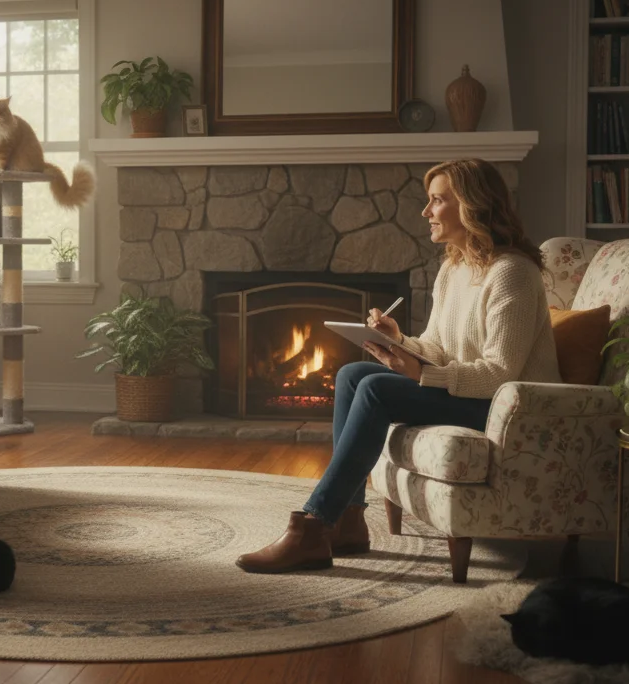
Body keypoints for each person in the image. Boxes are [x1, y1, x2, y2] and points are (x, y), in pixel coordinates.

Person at [236, 158, 560, 573]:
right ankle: (349, 522)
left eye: (437, 201)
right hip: (472, 394)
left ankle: (313, 526)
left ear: (472, 206)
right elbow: (441, 347)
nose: (426, 212)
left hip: (507, 410)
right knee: (353, 374)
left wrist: (420, 373)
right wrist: (400, 341)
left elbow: (501, 374)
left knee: (377, 389)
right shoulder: (453, 267)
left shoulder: (512, 272)